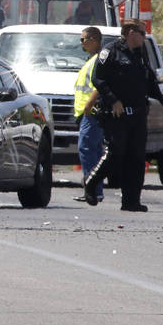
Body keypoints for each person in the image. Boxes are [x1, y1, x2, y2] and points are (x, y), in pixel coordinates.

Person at [84, 19, 163, 210]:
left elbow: (150, 80)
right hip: (117, 115)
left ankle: (131, 201)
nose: (144, 36)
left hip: (139, 115)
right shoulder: (111, 51)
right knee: (115, 155)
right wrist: (113, 100)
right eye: (142, 33)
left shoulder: (140, 53)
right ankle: (91, 182)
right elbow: (98, 79)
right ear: (131, 32)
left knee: (137, 158)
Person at [73, 26, 104, 203]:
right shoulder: (92, 59)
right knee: (95, 151)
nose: (81, 43)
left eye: (83, 39)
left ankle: (92, 190)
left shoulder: (97, 60)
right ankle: (95, 190)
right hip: (87, 112)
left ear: (93, 40)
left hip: (90, 112)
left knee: (87, 149)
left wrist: (89, 105)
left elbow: (97, 86)